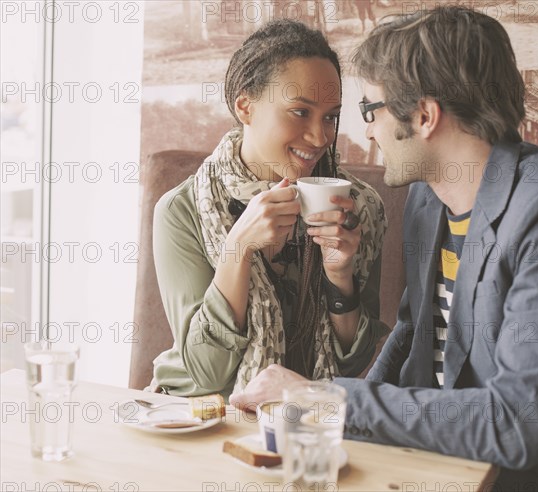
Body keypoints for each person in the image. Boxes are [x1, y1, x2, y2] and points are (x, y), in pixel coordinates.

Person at [230, 7, 538, 491]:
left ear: (424, 116)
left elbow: (516, 424)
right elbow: (410, 336)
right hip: (435, 470)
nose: (366, 132)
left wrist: (327, 398)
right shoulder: (428, 196)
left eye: (370, 111)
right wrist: (338, 428)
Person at [149, 19, 389, 399]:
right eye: (300, 112)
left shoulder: (359, 209)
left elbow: (353, 363)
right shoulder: (183, 211)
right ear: (245, 106)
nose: (321, 137)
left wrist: (340, 274)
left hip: (305, 418)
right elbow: (205, 372)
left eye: (330, 116)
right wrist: (238, 249)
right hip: (202, 418)